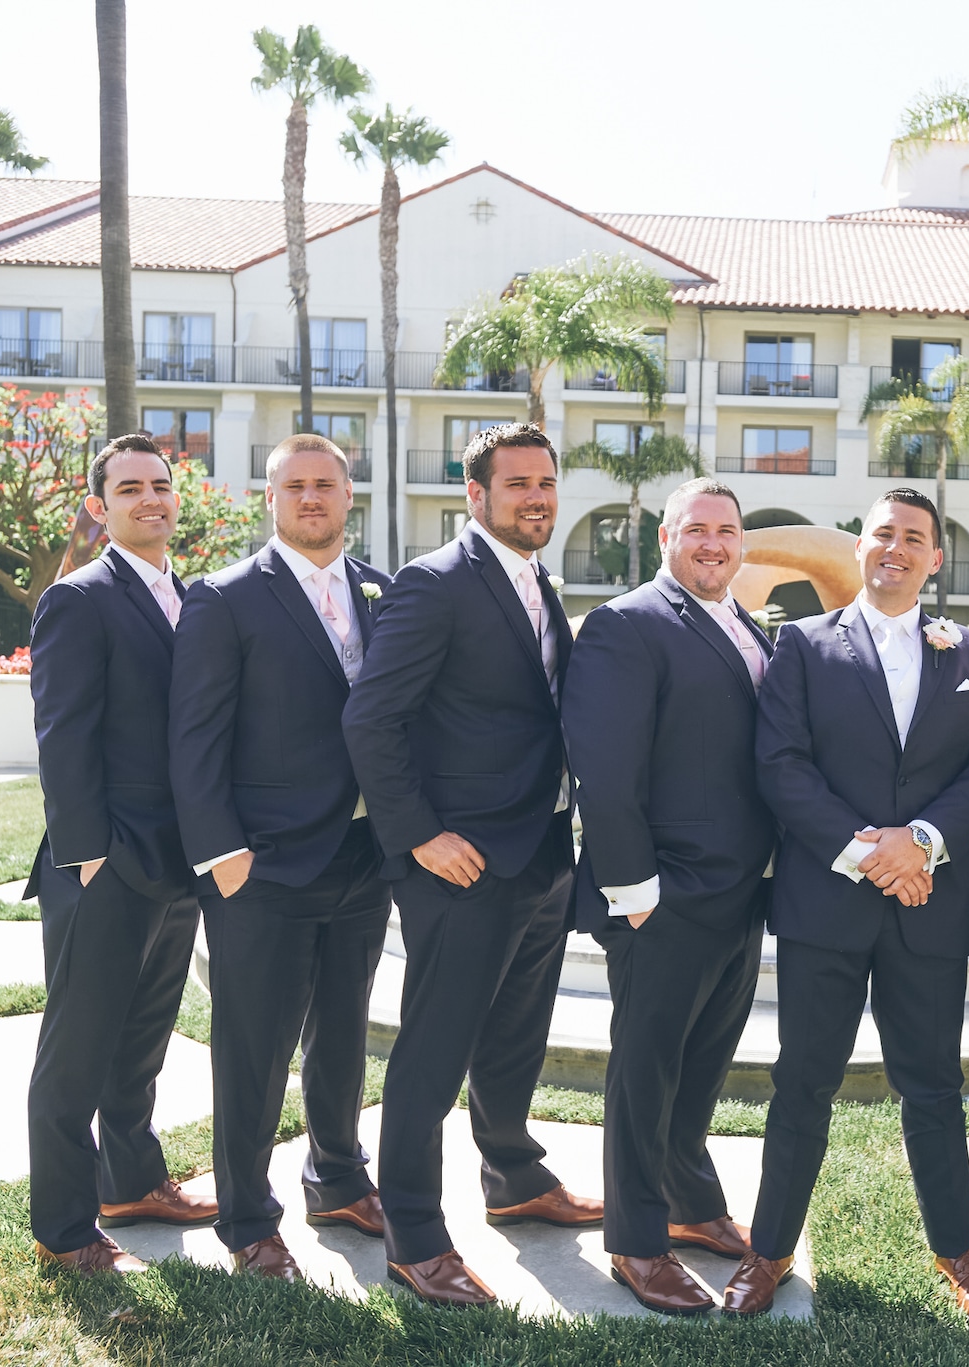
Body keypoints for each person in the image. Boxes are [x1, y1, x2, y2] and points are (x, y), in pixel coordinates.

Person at [721, 488, 969, 1319]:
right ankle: (768, 1250)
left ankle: (960, 1255)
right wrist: (869, 853)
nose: (896, 547)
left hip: (929, 903)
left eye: (913, 538)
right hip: (828, 903)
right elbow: (780, 764)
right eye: (883, 533)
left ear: (933, 557)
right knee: (802, 1084)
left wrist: (919, 841)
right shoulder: (803, 645)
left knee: (934, 1086)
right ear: (860, 548)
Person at [341, 422, 600, 1307]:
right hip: (458, 866)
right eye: (518, 482)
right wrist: (418, 835)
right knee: (434, 1050)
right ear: (475, 494)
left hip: (539, 858)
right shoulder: (434, 583)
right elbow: (371, 719)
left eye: (546, 482)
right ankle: (415, 1236)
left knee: (514, 1039)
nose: (536, 496)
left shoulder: (537, 580)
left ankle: (515, 1176)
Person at [168, 435, 394, 1282]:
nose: (311, 497)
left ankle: (336, 1177)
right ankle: (246, 1218)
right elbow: (193, 740)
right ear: (270, 499)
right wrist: (223, 855)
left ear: (347, 493)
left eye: (325, 484)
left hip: (363, 858)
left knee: (343, 1033)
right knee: (253, 1050)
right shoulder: (224, 599)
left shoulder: (382, 589)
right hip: (259, 870)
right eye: (294, 485)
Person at [562, 478, 776, 1315]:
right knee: (645, 1073)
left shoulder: (750, 627)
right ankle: (637, 1239)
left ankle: (689, 1200)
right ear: (665, 538)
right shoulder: (628, 623)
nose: (714, 543)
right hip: (666, 893)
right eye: (697, 530)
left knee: (701, 1066)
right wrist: (635, 889)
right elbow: (605, 769)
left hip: (740, 894)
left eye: (727, 531)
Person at [25, 433, 217, 1275]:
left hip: (179, 861)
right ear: (100, 508)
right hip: (103, 862)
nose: (152, 499)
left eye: (163, 486)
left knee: (143, 1039)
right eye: (130, 487)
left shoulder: (195, 597)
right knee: (77, 1051)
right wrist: (86, 855)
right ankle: (63, 1228)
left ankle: (132, 1181)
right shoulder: (79, 598)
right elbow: (62, 736)